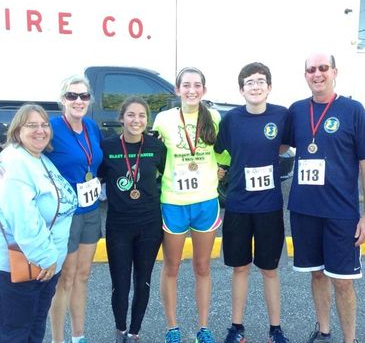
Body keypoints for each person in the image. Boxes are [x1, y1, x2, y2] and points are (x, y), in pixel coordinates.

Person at [287, 52, 365, 343]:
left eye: (323, 68)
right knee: (316, 274)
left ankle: (350, 339)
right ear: (305, 74)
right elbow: (276, 144)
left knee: (343, 282)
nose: (317, 74)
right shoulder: (296, 111)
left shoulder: (353, 110)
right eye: (311, 69)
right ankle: (323, 332)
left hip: (341, 213)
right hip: (304, 210)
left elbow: (363, 163)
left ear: (335, 71)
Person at [214, 62, 290, 343]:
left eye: (260, 81)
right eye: (249, 82)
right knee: (240, 267)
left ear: (269, 87)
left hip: (269, 206)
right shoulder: (231, 119)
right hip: (238, 205)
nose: (255, 86)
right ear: (241, 89)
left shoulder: (281, 116)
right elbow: (221, 149)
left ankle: (275, 329)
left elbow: (284, 145)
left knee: (270, 269)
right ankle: (236, 327)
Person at [153, 67, 222, 343]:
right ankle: (172, 327)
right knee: (172, 266)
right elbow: (154, 156)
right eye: (186, 85)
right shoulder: (163, 119)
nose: (192, 90)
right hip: (174, 201)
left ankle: (203, 328)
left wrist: (224, 168)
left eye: (197, 85)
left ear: (204, 89)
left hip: (206, 201)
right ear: (177, 89)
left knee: (203, 267)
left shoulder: (214, 117)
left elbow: (224, 151)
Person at [0, 104, 77, 343]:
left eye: (44, 124)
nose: (40, 130)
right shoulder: (15, 162)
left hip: (44, 268)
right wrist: (47, 258)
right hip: (25, 266)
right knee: (15, 333)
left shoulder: (38, 158)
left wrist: (52, 260)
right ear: (17, 129)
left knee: (34, 327)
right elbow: (23, 219)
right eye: (32, 125)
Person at [98, 96, 166, 343]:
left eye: (141, 116)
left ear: (146, 120)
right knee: (120, 284)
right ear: (121, 118)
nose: (136, 120)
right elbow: (95, 176)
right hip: (118, 225)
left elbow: (169, 174)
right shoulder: (108, 147)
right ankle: (120, 330)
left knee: (143, 281)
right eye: (131, 115)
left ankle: (135, 332)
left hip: (149, 224)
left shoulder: (157, 146)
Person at [48, 75, 104, 343]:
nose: (78, 101)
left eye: (83, 96)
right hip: (66, 215)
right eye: (72, 96)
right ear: (62, 100)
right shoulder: (52, 128)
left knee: (83, 275)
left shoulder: (91, 127)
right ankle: (59, 340)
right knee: (65, 280)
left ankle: (78, 336)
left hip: (91, 211)